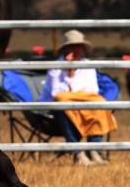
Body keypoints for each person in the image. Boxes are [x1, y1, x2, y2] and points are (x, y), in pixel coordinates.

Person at [43, 30, 116, 167]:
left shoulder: (88, 65)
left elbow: (92, 91)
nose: (75, 50)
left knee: (98, 103)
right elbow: (57, 93)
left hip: (84, 105)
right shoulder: (55, 68)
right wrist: (70, 73)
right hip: (57, 110)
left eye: (78, 46)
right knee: (63, 104)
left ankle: (94, 150)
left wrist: (77, 96)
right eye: (71, 47)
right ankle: (78, 152)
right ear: (65, 49)